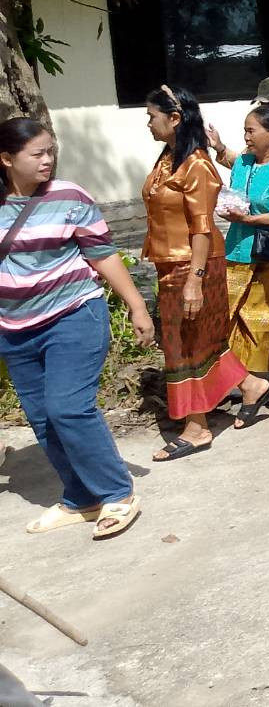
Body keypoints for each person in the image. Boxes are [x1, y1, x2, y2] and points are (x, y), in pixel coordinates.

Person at [0, 118, 154, 539]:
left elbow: (102, 255)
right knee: (42, 417)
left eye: (51, 150)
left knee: (68, 407)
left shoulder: (70, 196)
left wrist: (137, 306)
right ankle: (80, 497)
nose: (48, 160)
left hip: (73, 315)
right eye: (37, 154)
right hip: (13, 328)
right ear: (6, 158)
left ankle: (116, 494)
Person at [142, 85, 251, 462]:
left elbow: (202, 228)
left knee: (185, 346)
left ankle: (198, 426)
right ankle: (250, 386)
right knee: (194, 340)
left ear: (174, 119)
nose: (148, 124)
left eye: (152, 116)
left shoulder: (197, 165)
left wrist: (194, 280)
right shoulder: (168, 158)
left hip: (194, 264)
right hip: (169, 263)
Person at [219, 106, 269, 422]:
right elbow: (235, 193)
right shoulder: (242, 162)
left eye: (251, 130)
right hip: (237, 248)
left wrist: (251, 218)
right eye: (245, 130)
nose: (246, 137)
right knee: (231, 317)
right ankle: (246, 381)